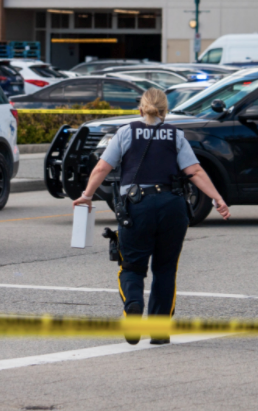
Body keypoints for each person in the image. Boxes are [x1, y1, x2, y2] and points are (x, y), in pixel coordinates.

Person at [73, 88, 230, 345]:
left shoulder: (125, 132)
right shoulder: (175, 135)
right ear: (165, 111)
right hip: (172, 206)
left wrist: (87, 195)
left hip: (137, 206)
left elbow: (102, 166)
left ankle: (133, 305)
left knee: (132, 266)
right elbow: (195, 171)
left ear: (140, 109)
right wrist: (217, 199)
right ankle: (159, 331)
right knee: (165, 268)